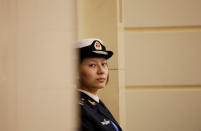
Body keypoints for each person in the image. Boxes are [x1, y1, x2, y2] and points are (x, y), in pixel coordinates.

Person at [76, 38, 122, 131]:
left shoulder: (93, 101)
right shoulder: (79, 110)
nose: (101, 71)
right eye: (92, 65)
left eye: (104, 64)